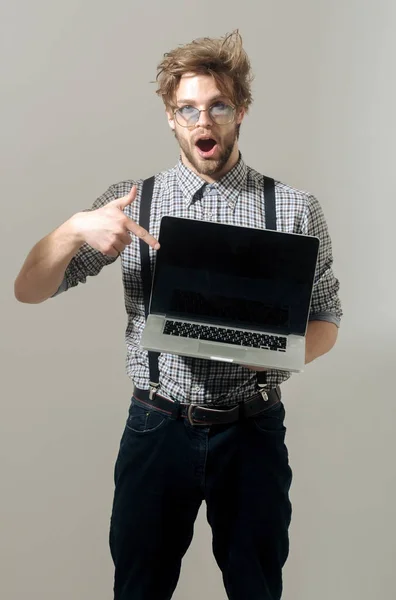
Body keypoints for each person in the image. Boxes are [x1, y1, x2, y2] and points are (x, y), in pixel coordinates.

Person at [14, 30, 342, 600]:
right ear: (170, 117)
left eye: (217, 105)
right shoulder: (130, 201)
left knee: (257, 589)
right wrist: (72, 229)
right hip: (157, 426)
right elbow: (28, 290)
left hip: (252, 428)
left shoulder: (291, 206)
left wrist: (277, 353)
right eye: (186, 109)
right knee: (139, 589)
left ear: (240, 110)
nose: (202, 122)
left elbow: (327, 317)